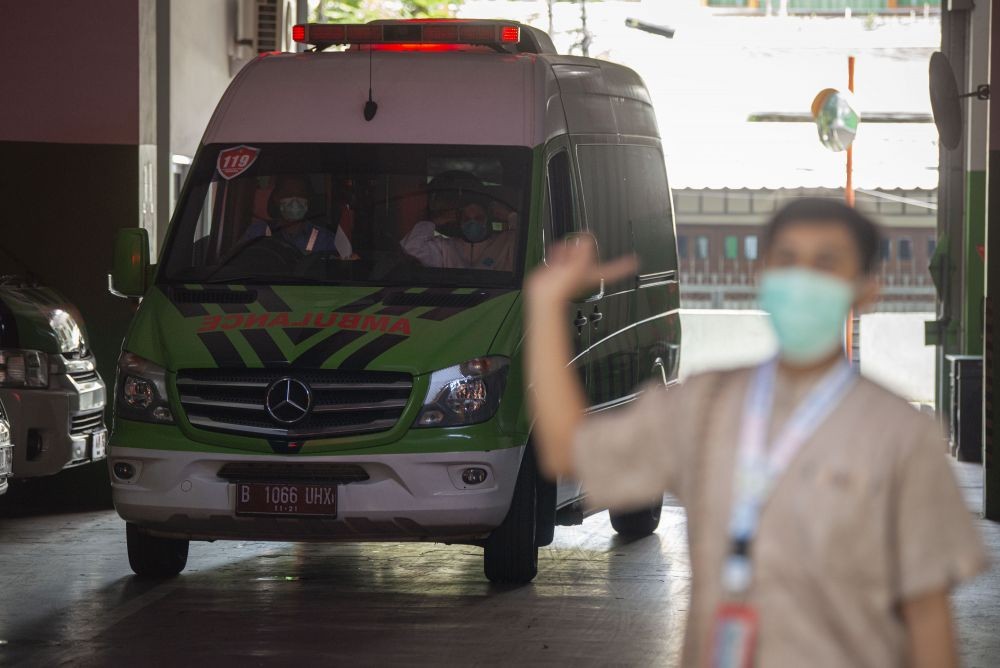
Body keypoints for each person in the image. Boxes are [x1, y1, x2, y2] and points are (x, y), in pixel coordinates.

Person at [524, 198, 987, 668]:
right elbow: (568, 451)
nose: (802, 281)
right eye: (786, 261)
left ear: (865, 290)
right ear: (761, 277)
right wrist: (546, 304)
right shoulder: (704, 405)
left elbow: (928, 615)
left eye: (826, 263)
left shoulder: (901, 435)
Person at [401, 191, 516, 271]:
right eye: (466, 219)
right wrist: (434, 222)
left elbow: (529, 245)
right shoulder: (445, 248)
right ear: (459, 221)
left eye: (478, 218)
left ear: (488, 220)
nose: (472, 223)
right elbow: (411, 248)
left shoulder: (506, 242)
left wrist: (511, 216)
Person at [243, 175, 339, 254]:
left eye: (300, 194)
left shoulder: (325, 239)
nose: (295, 201)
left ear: (308, 200)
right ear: (276, 198)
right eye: (288, 194)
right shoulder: (258, 231)